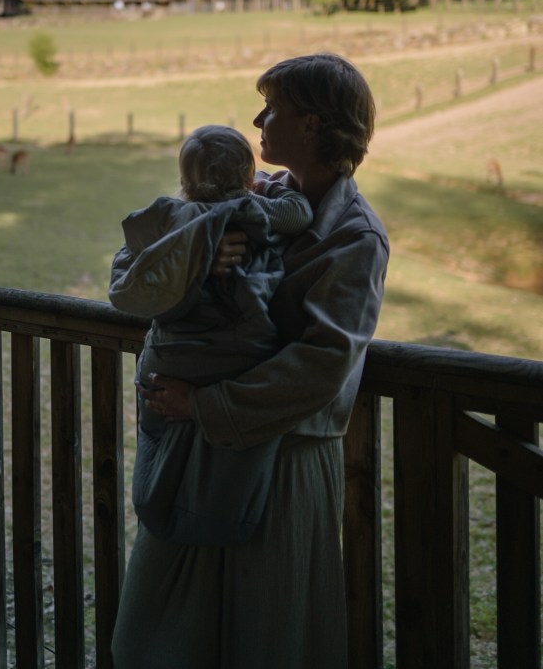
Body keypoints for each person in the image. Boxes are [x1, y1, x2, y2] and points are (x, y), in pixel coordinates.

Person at [111, 53, 390, 669]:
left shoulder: (355, 237)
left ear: (312, 124)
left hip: (285, 463)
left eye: (273, 108)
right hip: (196, 454)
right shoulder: (252, 195)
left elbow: (324, 363)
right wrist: (193, 256)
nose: (259, 121)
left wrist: (204, 404)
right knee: (151, 637)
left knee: (267, 636)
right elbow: (130, 259)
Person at [109, 124, 314, 546]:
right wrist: (271, 189)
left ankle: (152, 502)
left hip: (171, 357)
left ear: (186, 181)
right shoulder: (252, 209)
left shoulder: (172, 218)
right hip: (238, 356)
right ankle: (231, 522)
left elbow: (132, 259)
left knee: (155, 425)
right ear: (247, 178)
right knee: (238, 450)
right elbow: (300, 214)